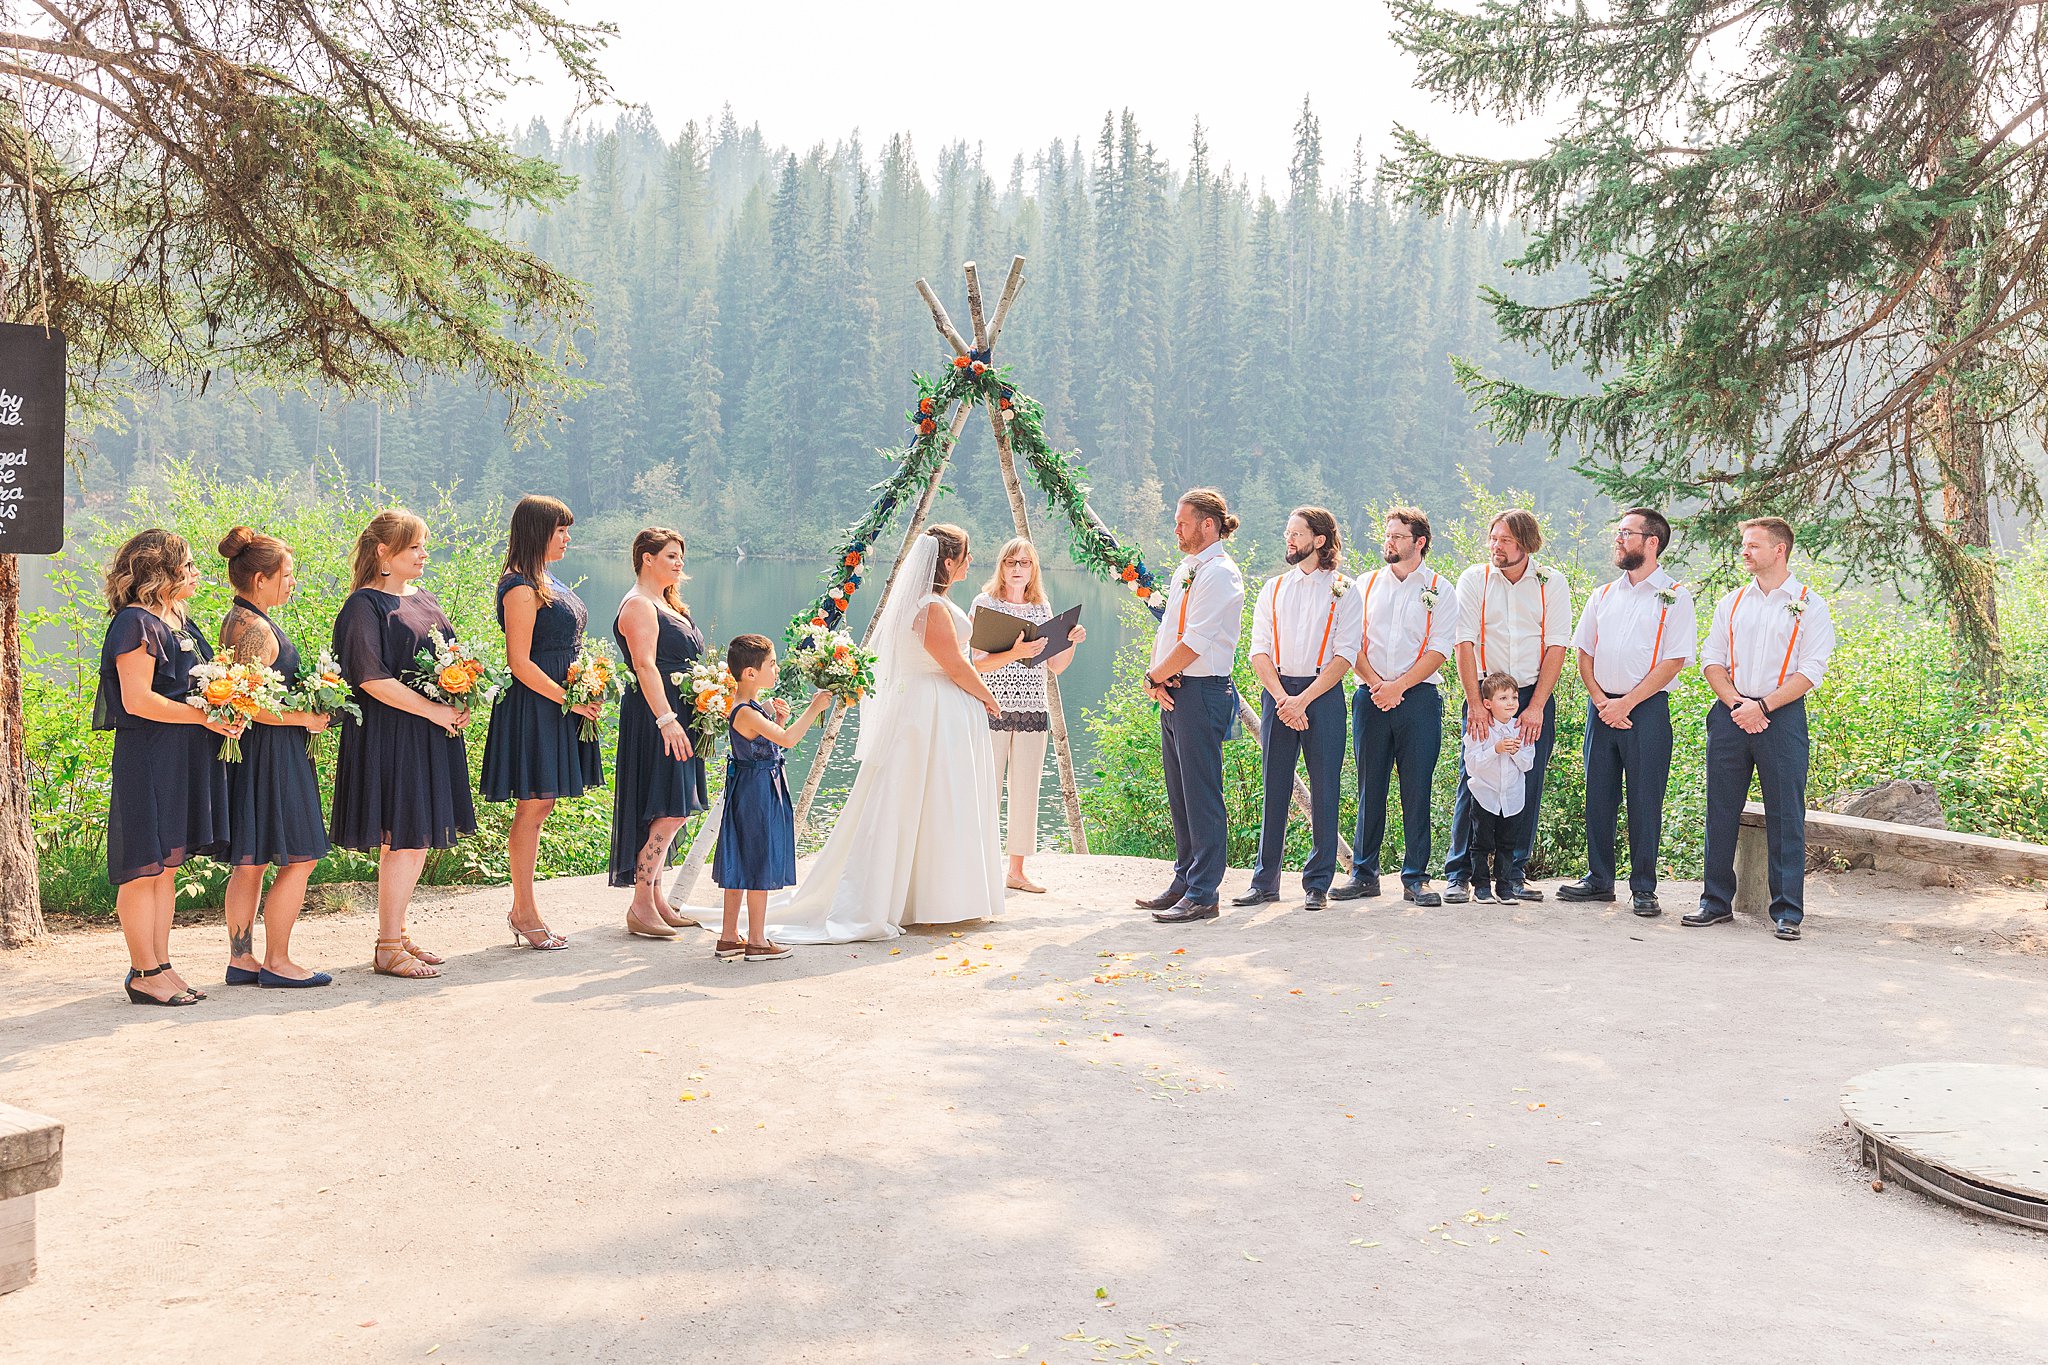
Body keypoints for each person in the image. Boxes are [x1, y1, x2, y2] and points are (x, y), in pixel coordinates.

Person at [699, 524, 1003, 943]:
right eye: (966, 556)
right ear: (948, 561)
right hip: (929, 712)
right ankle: (915, 898)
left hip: (942, 710)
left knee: (940, 799)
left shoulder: (939, 603)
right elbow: (953, 663)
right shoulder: (931, 607)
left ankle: (939, 895)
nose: (971, 562)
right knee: (921, 796)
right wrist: (989, 697)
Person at [329, 509, 477, 980]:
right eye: (414, 546)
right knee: (404, 839)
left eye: (423, 544)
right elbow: (370, 678)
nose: (423, 554)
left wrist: (460, 696)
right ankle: (388, 946)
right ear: (383, 553)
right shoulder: (363, 606)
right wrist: (434, 709)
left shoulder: (424, 598)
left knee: (415, 838)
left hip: (428, 732)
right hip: (391, 735)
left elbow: (446, 658)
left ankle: (398, 932)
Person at [96, 529, 241, 1005]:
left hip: (182, 755)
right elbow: (138, 701)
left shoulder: (176, 617)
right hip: (149, 757)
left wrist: (230, 704)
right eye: (189, 564)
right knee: (143, 867)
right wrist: (207, 715)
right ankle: (142, 972)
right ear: (162, 572)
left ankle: (162, 964)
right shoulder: (135, 623)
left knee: (166, 868)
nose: (197, 572)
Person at [1687, 517, 1836, 941]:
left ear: (1780, 550)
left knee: (1786, 813)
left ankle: (1787, 911)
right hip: (1731, 714)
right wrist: (1738, 704)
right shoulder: (1731, 602)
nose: (1745, 552)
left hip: (1782, 717)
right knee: (1720, 808)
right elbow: (1711, 660)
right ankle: (1714, 902)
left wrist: (1763, 706)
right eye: (1744, 546)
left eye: (1753, 546)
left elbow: (1811, 669)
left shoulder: (1810, 604)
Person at [1558, 508, 1697, 916]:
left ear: (1651, 541)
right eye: (1617, 531)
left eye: (1626, 533)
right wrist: (1602, 702)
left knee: (1643, 799)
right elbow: (1583, 651)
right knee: (1599, 796)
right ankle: (1600, 879)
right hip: (1600, 708)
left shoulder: (1674, 595)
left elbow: (1673, 660)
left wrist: (1626, 703)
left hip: (1646, 711)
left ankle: (1644, 888)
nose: (1617, 539)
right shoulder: (1602, 594)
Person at [480, 495, 602, 951]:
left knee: (543, 804)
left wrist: (585, 686)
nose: (568, 538)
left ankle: (525, 909)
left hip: (557, 703)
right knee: (533, 805)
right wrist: (568, 698)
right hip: (535, 704)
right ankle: (524, 911)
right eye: (561, 530)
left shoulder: (545, 579)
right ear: (538, 533)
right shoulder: (520, 587)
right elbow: (519, 662)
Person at [217, 527, 334, 988]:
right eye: (287, 575)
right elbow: (250, 703)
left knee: (250, 860)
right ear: (261, 579)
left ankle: (241, 960)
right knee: (300, 857)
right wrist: (305, 717)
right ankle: (278, 961)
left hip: (251, 753)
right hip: (272, 755)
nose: (292, 583)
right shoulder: (258, 629)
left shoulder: (237, 618)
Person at [1444, 509, 1574, 903]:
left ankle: (1512, 875)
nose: (1495, 546)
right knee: (1476, 781)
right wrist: (1475, 704)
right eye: (1493, 538)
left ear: (1526, 543)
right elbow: (1463, 641)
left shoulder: (1551, 581)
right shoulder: (1474, 578)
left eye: (1505, 540)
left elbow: (1557, 645)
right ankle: (1460, 874)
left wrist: (1536, 707)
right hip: (1486, 692)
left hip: (1532, 695)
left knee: (1525, 784)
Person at [1238, 507, 1361, 911]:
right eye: (1287, 532)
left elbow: (1346, 654)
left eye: (1296, 534)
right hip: (1277, 693)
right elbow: (1258, 649)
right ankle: (1264, 883)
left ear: (1319, 540)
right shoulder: (1273, 588)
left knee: (1325, 788)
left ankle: (1317, 883)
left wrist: (1303, 700)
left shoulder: (1346, 588)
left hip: (1322, 696)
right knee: (1275, 788)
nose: (1288, 540)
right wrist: (1281, 698)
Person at [1333, 508, 1457, 905]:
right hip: (1369, 695)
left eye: (1398, 536)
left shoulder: (1441, 589)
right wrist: (1376, 685)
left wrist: (1398, 687)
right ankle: (1364, 874)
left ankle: (1416, 877)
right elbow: (1350, 642)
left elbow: (1440, 650)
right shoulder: (1364, 585)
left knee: (1416, 789)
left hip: (1419, 699)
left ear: (1419, 542)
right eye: (1387, 535)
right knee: (1371, 787)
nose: (1389, 542)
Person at [1136, 489, 1246, 925]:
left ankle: (1204, 894)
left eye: (1182, 522)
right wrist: (1157, 679)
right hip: (1177, 690)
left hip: (1202, 691)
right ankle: (1184, 880)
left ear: (1208, 525)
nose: (1175, 529)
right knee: (1180, 794)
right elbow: (1169, 634)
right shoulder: (1188, 568)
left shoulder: (1220, 573)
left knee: (1202, 795)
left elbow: (1197, 640)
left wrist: (1156, 676)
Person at [608, 527, 712, 937]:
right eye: (671, 555)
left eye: (680, 556)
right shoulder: (638, 605)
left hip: (681, 713)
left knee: (674, 806)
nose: (679, 563)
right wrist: (667, 720)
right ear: (646, 558)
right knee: (669, 808)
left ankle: (655, 898)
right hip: (657, 717)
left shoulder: (668, 604)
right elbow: (646, 666)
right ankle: (639, 905)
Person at [969, 537, 1085, 894]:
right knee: (986, 789)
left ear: (1034, 568)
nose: (1018, 569)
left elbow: (1055, 667)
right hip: (992, 706)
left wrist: (1072, 642)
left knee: (1025, 790)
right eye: (1011, 563)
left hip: (1033, 709)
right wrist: (1016, 651)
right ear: (1001, 567)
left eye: (1025, 563)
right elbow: (976, 662)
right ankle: (980, 868)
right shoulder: (985, 604)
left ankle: (1016, 872)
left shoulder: (1041, 607)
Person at [712, 635, 833, 962]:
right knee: (758, 860)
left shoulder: (752, 708)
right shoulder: (746, 712)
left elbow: (767, 743)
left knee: (742, 858)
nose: (776, 670)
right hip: (757, 791)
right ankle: (756, 941)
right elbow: (789, 740)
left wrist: (778, 719)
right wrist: (814, 707)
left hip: (751, 786)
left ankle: (728, 937)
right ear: (750, 673)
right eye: (772, 664)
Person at [1462, 671, 1536, 903]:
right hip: (1485, 795)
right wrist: (1495, 749)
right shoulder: (1479, 728)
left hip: (1512, 797)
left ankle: (1505, 887)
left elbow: (1528, 763)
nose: (1511, 703)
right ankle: (1481, 886)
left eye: (1514, 698)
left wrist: (1514, 752)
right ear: (1487, 703)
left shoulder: (1521, 729)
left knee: (1507, 844)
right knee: (1481, 843)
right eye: (1503, 698)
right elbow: (1472, 765)